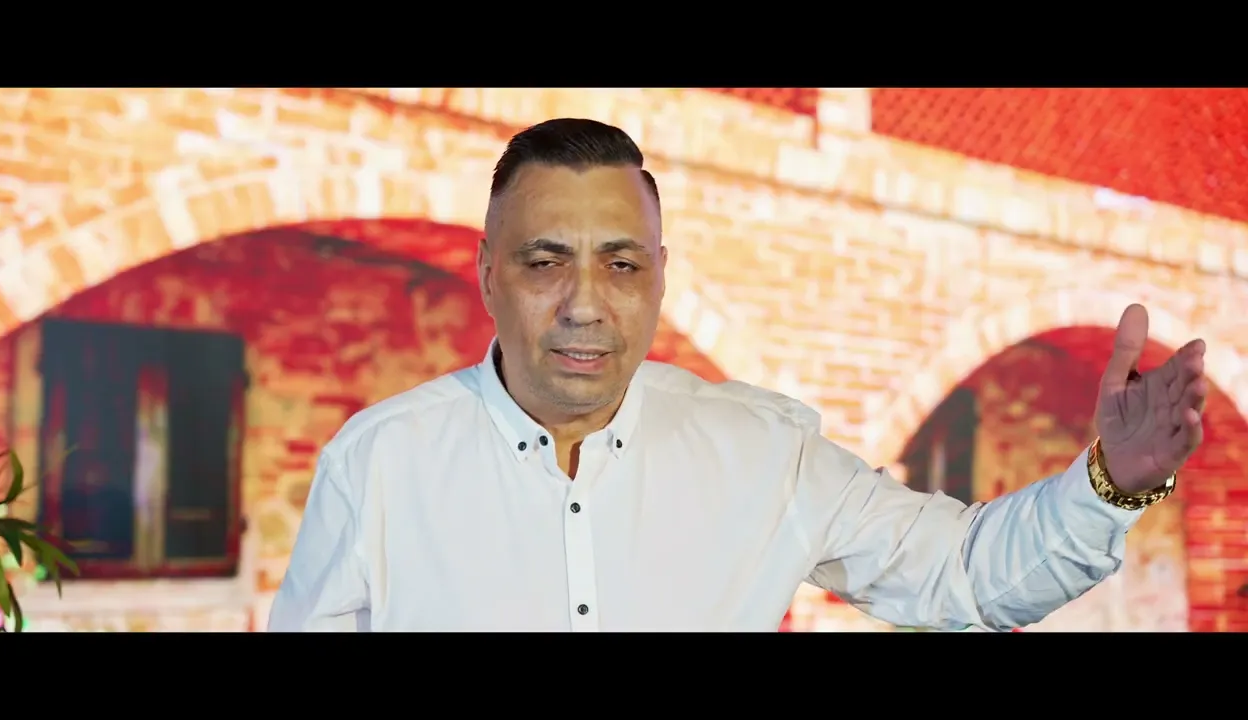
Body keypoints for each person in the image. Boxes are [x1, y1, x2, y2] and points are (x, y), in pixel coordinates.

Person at [267, 118, 1208, 632]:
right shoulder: (380, 463)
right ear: (487, 274)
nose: (585, 304)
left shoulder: (762, 452)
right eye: (545, 262)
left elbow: (962, 575)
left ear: (660, 277)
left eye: (621, 265)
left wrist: (1113, 483)